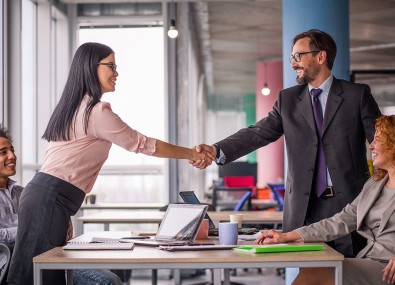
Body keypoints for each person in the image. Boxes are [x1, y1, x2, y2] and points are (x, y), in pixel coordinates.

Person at [6, 42, 214, 285]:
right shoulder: (95, 112)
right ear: (91, 67)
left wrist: (63, 212)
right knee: (39, 278)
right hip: (50, 198)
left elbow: (58, 166)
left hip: (49, 197)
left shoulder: (73, 108)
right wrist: (191, 153)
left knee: (39, 275)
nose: (116, 72)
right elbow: (143, 144)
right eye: (111, 65)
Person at [191, 29, 381, 257]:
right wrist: (216, 149)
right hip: (304, 207)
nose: (293, 63)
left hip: (350, 204)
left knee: (349, 271)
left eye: (298, 56)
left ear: (320, 57)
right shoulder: (288, 99)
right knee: (310, 273)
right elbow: (258, 133)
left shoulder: (356, 95)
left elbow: (384, 142)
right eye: (292, 57)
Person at [256, 114, 395, 285]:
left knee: (318, 271)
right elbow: (341, 220)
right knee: (315, 268)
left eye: (378, 140)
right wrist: (287, 236)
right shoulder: (374, 184)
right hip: (368, 259)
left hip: (388, 268)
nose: (371, 146)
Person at [0, 127, 122, 285]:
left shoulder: (23, 192)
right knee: (107, 282)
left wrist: (57, 220)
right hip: (15, 265)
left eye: (12, 150)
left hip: (47, 253)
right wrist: (36, 229)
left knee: (111, 278)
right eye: (3, 152)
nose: (12, 156)